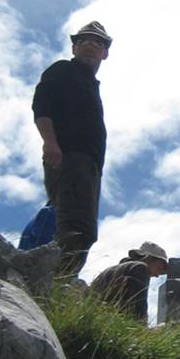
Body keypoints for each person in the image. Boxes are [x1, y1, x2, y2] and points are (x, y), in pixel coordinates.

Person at [31, 20, 112, 277]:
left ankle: (57, 278)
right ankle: (57, 282)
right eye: (84, 41)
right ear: (74, 47)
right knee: (76, 225)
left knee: (80, 226)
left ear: (105, 53)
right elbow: (42, 106)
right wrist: (50, 142)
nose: (90, 45)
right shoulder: (64, 70)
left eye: (97, 43)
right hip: (70, 157)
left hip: (88, 165)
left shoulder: (91, 84)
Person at [90, 242, 169, 322]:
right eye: (158, 268)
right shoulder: (140, 268)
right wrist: (142, 330)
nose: (156, 275)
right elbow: (138, 306)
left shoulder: (111, 270)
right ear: (148, 258)